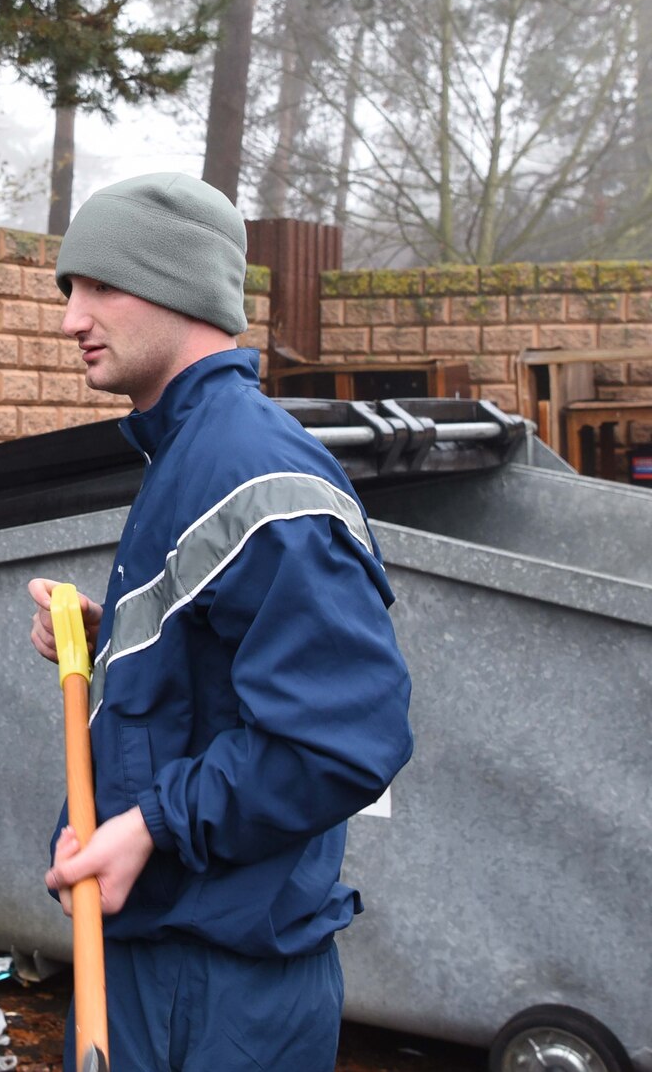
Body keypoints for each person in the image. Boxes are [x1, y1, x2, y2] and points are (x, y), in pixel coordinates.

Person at [26, 173, 414, 1072]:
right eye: (68, 290)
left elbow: (340, 737)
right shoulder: (187, 452)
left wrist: (148, 826)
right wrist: (108, 637)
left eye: (99, 286)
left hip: (219, 996)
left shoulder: (250, 469)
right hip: (165, 963)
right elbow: (221, 668)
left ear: (180, 286)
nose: (70, 319)